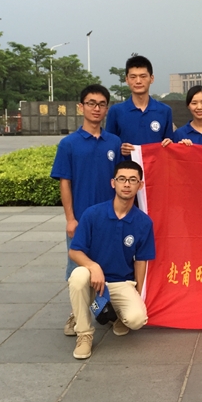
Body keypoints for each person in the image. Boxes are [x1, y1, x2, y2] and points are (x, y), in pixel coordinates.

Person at [50, 84, 122, 337]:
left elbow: (123, 180)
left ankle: (110, 311)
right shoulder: (68, 144)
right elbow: (65, 183)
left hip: (110, 219)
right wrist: (70, 218)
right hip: (81, 219)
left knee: (110, 265)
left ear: (107, 109)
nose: (96, 108)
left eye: (101, 104)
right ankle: (77, 314)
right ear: (81, 107)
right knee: (77, 270)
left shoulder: (114, 142)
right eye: (91, 103)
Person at [68, 160, 155, 359]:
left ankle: (115, 315)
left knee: (137, 319)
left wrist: (138, 293)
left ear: (140, 185)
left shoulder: (143, 222)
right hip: (93, 280)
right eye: (122, 179)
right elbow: (74, 251)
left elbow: (141, 261)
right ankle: (84, 334)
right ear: (113, 183)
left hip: (121, 282)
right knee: (78, 276)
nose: (127, 184)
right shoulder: (93, 214)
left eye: (132, 180)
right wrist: (93, 266)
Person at [105, 54, 173, 157]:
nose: (138, 81)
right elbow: (109, 147)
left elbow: (170, 146)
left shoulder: (165, 111)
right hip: (127, 167)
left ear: (151, 78)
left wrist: (169, 144)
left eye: (143, 76)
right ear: (127, 80)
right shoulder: (116, 111)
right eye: (133, 77)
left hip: (155, 166)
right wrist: (120, 150)